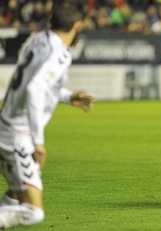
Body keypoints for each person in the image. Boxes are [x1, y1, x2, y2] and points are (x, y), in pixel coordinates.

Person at [0, 0, 94, 229]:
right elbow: (34, 89)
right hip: (17, 137)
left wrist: (67, 96)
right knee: (33, 213)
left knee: (14, 195)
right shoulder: (60, 55)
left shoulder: (37, 38)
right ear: (78, 25)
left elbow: (34, 83)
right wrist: (38, 142)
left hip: (5, 126)